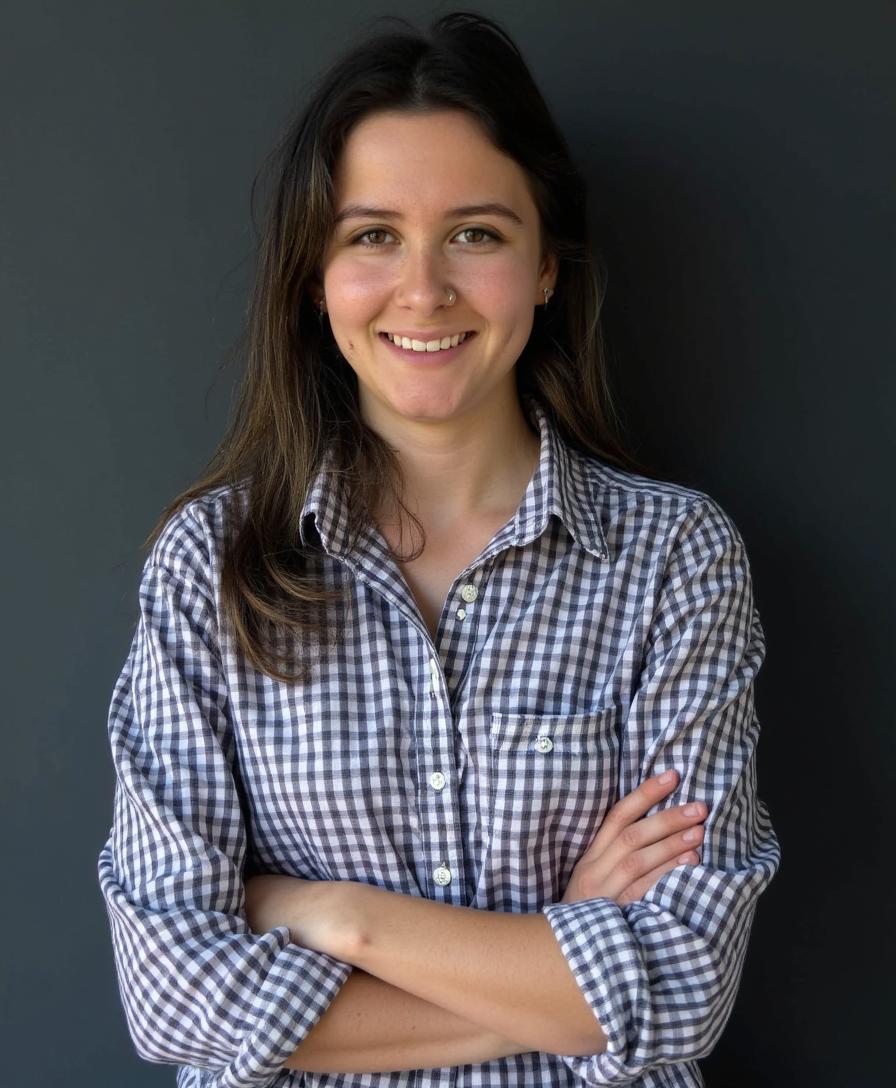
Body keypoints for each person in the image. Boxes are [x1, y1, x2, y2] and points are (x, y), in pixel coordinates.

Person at [97, 10, 780, 1088]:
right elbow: (174, 994)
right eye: (371, 234)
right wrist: (563, 950)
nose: (423, 290)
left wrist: (336, 914)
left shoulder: (673, 559)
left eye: (476, 232)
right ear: (313, 277)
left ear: (545, 265)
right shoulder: (207, 567)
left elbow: (684, 983)